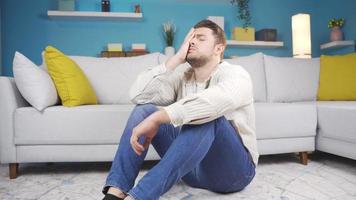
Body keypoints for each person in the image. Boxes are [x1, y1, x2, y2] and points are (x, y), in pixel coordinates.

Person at [102, 19, 258, 200]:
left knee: (208, 117)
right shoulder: (182, 77)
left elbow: (216, 102)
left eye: (200, 38)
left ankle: (138, 197)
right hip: (192, 172)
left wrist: (159, 118)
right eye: (190, 38)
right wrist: (175, 60)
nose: (192, 42)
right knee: (144, 110)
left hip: (234, 173)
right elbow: (138, 95)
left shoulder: (236, 74)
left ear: (219, 48)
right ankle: (115, 192)